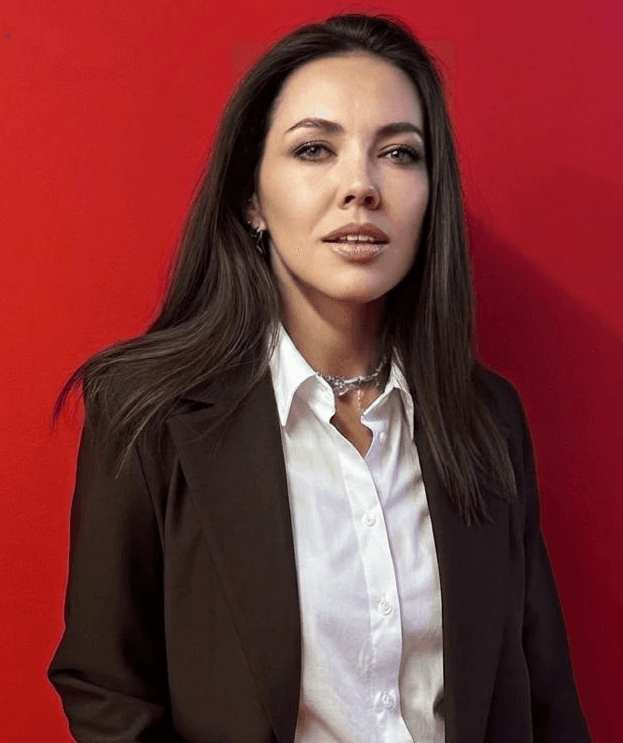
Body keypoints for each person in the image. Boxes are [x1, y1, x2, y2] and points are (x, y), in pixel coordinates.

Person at [48, 12, 592, 743]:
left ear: (431, 194)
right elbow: (108, 689)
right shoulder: (148, 413)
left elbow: (542, 691)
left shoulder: (486, 416)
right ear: (250, 198)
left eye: (398, 153)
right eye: (314, 149)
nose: (360, 186)